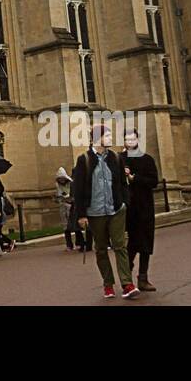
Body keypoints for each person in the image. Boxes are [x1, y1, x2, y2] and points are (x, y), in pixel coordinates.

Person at [71, 124, 137, 299]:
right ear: (96, 138)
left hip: (116, 209)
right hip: (95, 211)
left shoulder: (115, 157)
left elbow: (122, 183)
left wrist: (125, 203)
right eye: (107, 135)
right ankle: (108, 284)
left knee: (120, 246)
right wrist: (81, 214)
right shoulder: (84, 159)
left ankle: (127, 284)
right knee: (100, 249)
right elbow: (78, 189)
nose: (110, 138)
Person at [122, 131, 158, 291]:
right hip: (128, 208)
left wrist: (134, 178)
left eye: (132, 139)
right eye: (127, 139)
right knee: (132, 242)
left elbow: (154, 181)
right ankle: (126, 277)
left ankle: (143, 277)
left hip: (145, 207)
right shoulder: (119, 159)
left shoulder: (147, 159)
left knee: (146, 243)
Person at [55, 167, 83, 252]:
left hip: (71, 207)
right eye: (60, 179)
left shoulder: (71, 184)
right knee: (66, 227)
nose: (62, 180)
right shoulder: (58, 185)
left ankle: (78, 243)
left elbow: (73, 195)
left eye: (62, 178)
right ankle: (69, 245)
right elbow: (58, 195)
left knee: (75, 225)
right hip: (63, 206)